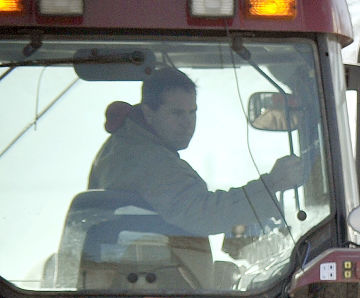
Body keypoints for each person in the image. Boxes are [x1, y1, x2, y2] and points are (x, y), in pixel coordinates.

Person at [86, 68, 304, 286]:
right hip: (149, 286)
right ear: (149, 113)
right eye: (177, 113)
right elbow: (204, 213)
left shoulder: (122, 145)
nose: (188, 123)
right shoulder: (149, 161)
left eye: (193, 112)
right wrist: (271, 184)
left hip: (134, 278)